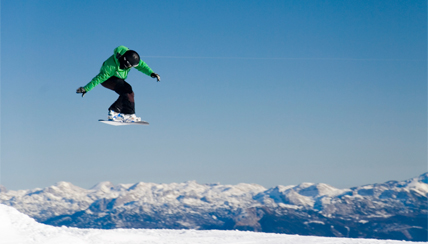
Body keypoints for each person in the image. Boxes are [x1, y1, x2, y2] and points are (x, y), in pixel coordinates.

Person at [76, 45, 160, 122]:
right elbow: (99, 78)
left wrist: (151, 73)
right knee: (126, 90)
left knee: (129, 92)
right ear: (125, 62)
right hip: (107, 80)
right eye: (130, 66)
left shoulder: (129, 56)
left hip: (118, 79)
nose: (131, 68)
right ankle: (113, 112)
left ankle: (129, 114)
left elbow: (142, 65)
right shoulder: (110, 67)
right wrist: (86, 88)